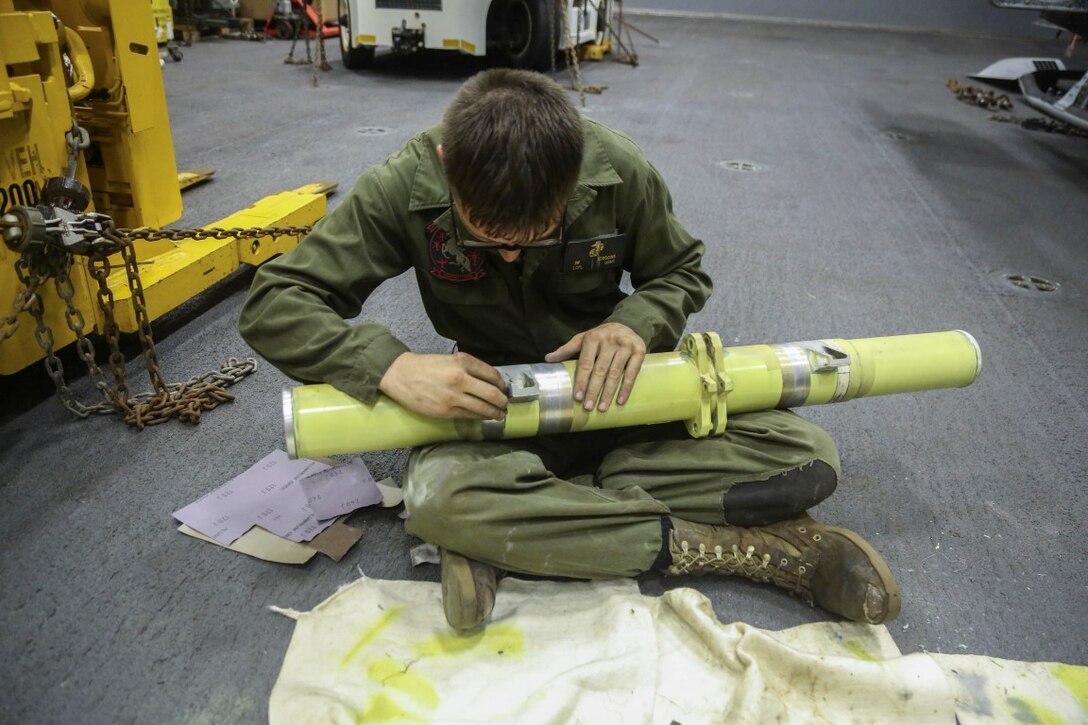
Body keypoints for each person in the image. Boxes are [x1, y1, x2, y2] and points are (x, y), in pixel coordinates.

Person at [239, 69, 900, 632]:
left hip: (623, 400)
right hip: (493, 413)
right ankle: (733, 546)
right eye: (487, 235)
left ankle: (526, 530)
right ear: (447, 165)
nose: (506, 254)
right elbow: (275, 302)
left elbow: (683, 270)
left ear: (574, 176)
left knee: (808, 454)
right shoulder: (401, 187)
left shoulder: (618, 171)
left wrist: (636, 323)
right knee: (440, 499)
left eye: (532, 236)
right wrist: (388, 365)